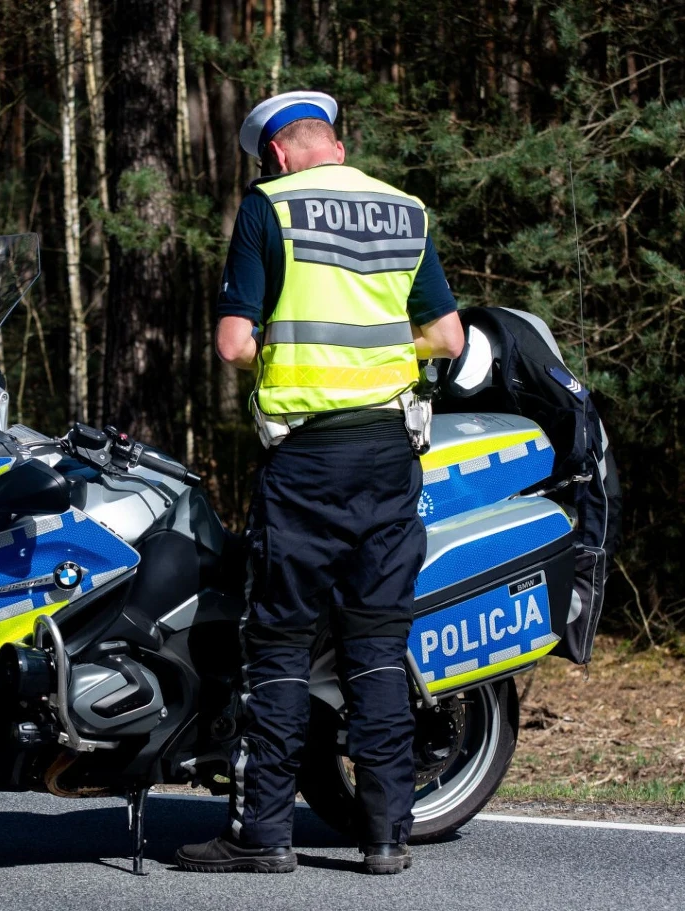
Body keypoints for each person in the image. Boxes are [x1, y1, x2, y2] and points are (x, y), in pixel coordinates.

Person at [175, 91, 465, 875]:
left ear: (274, 153)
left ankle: (263, 835)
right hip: (388, 454)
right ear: (334, 143)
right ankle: (384, 838)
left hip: (307, 462)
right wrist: (375, 349)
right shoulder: (406, 210)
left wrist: (288, 344)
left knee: (278, 645)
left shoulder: (269, 206)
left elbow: (235, 342)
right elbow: (448, 336)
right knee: (374, 645)